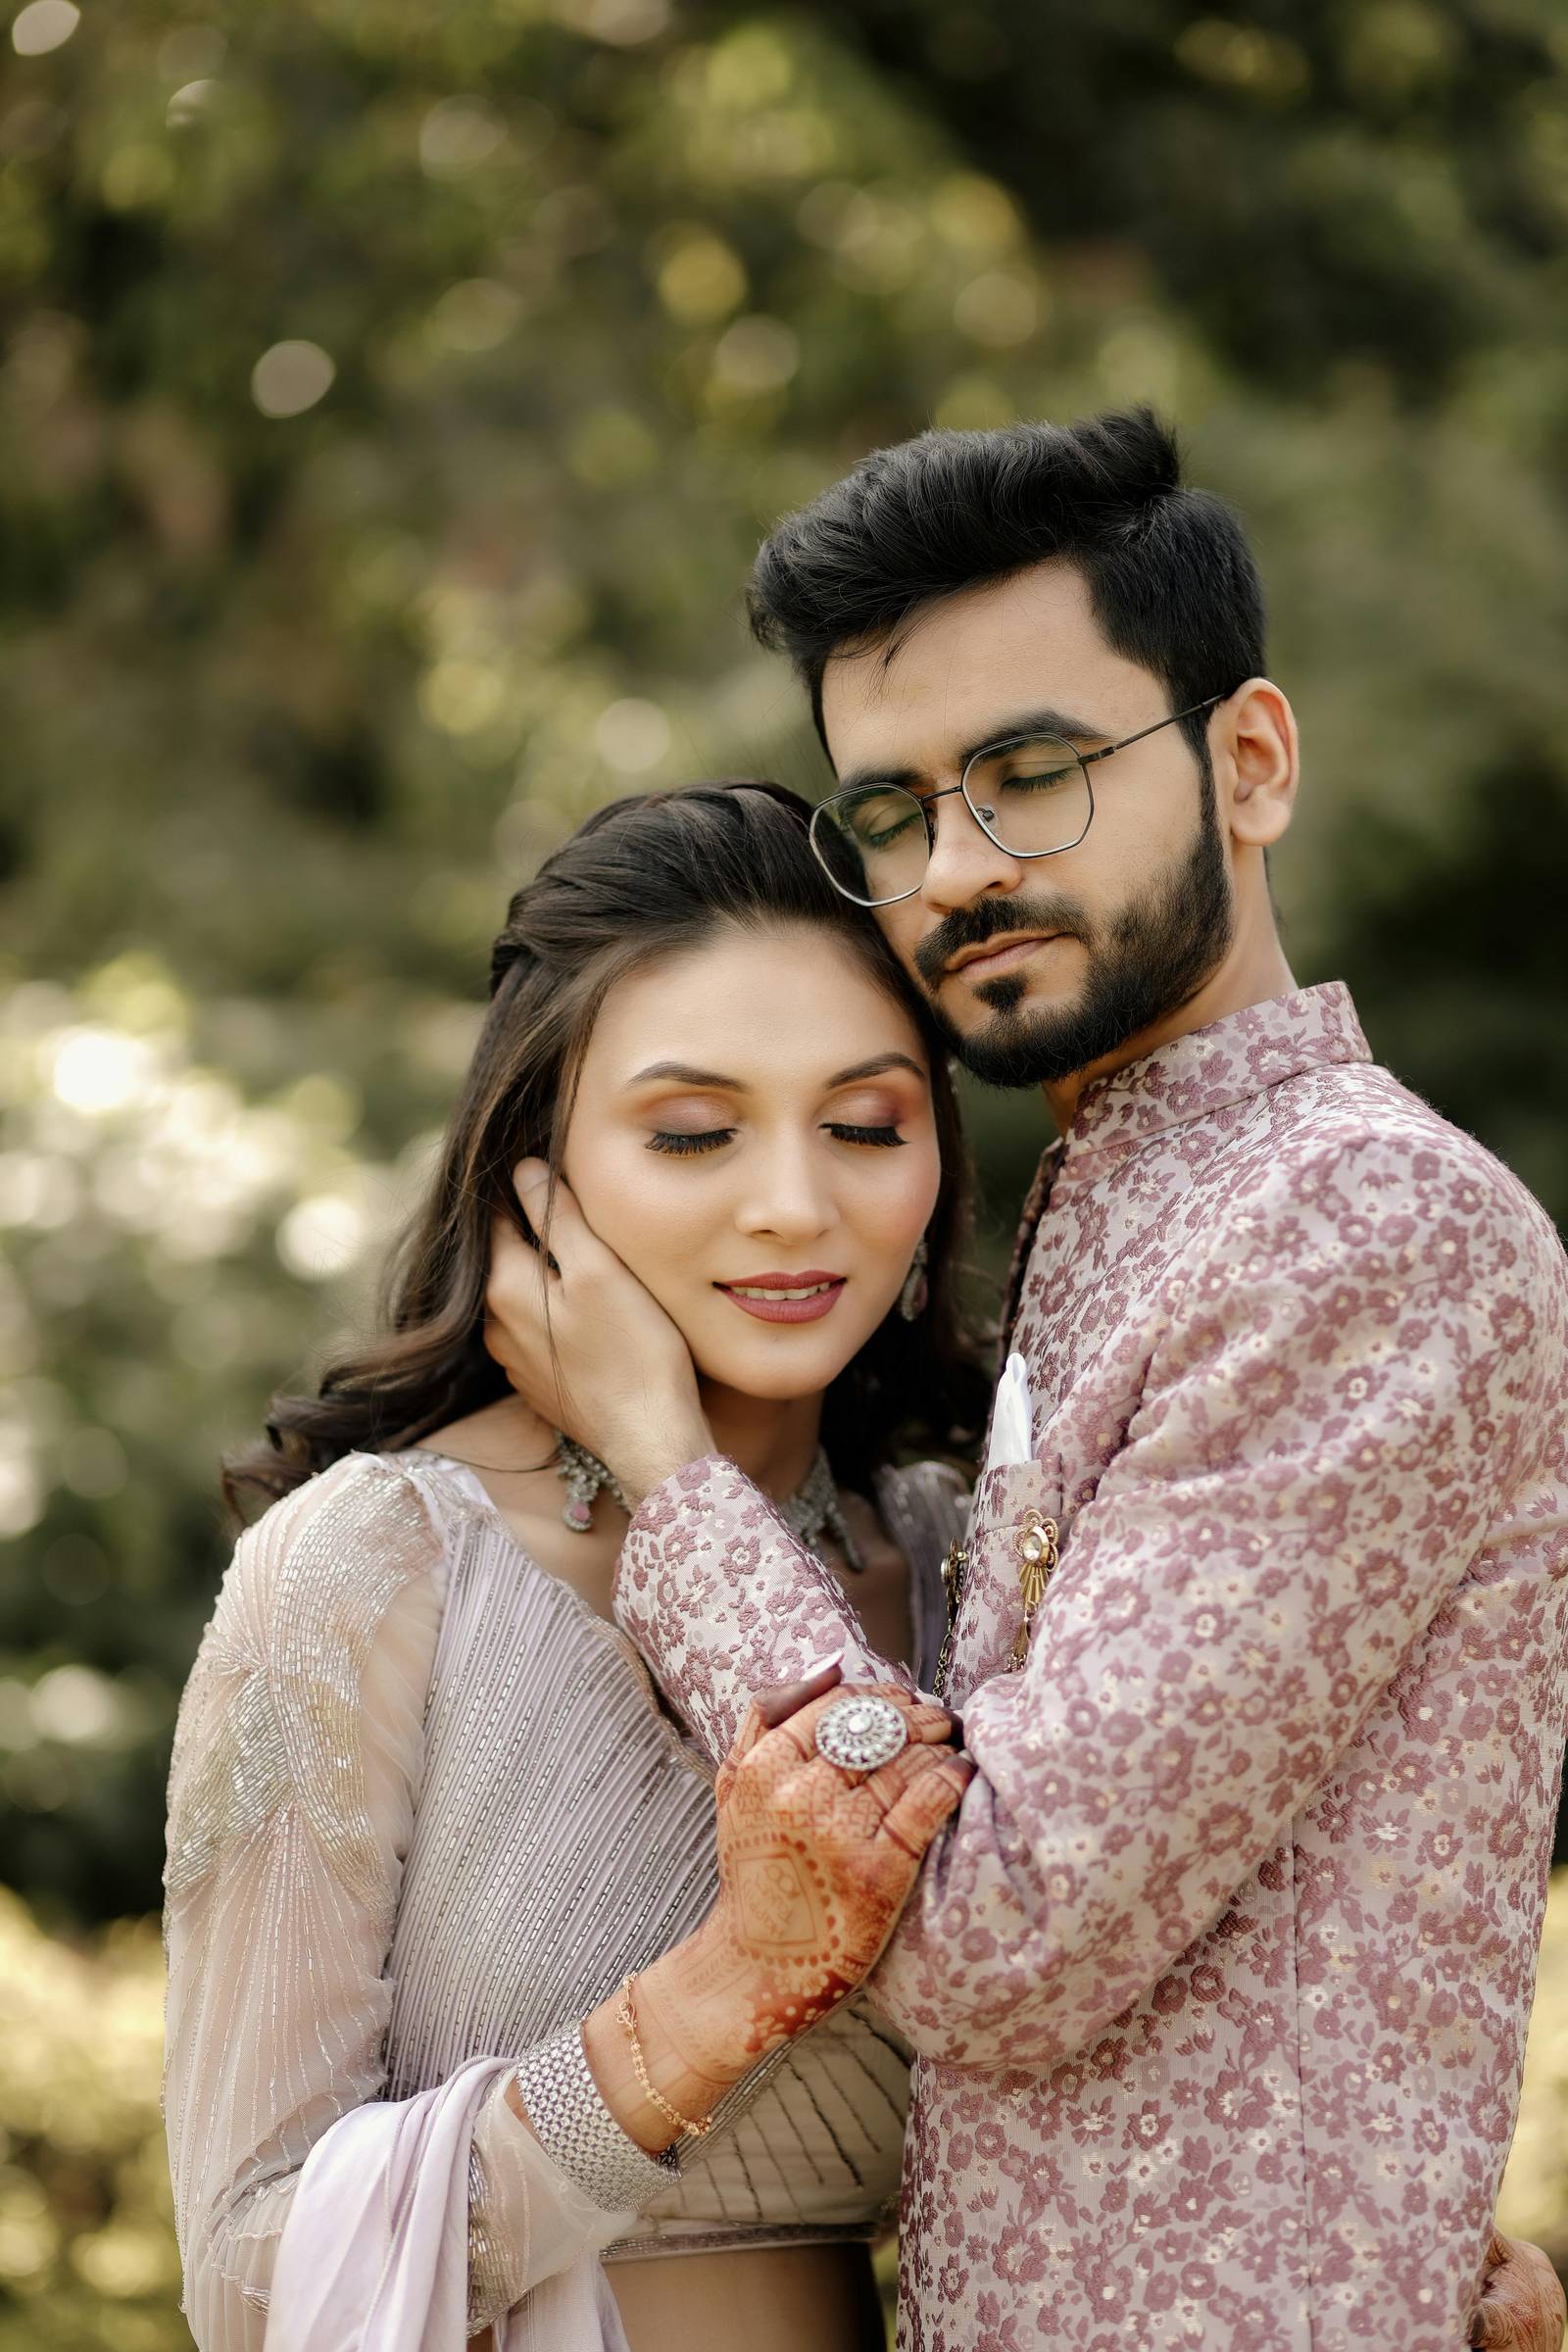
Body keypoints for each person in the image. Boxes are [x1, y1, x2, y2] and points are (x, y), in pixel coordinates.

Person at [482, 412, 1568, 2350]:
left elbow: (996, 1939)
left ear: (1247, 761)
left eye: (1031, 776)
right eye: (889, 813)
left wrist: (663, 1468)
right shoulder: (1116, 1211)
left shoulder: (1355, 1225)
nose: (955, 868)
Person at [161, 781, 979, 2352]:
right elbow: (249, 2273)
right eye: (692, 1133)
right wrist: (722, 1993)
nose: (794, 1204)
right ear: (537, 1166)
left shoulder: (957, 1552)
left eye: (866, 1124)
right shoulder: (372, 1570)